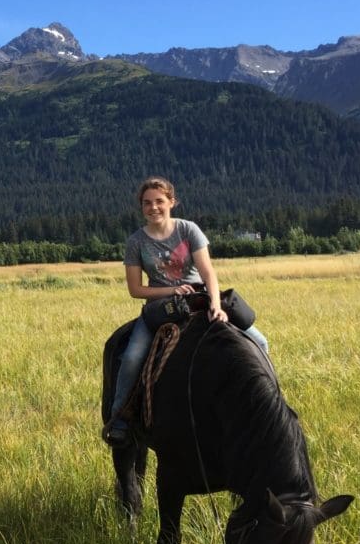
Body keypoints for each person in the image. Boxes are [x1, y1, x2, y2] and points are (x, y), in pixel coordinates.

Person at [104, 177, 269, 446]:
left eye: (159, 201)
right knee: (132, 357)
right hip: (160, 307)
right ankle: (119, 417)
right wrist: (171, 290)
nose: (153, 207)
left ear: (171, 202)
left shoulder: (189, 230)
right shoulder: (136, 242)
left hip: (200, 299)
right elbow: (136, 289)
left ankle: (265, 405)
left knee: (260, 342)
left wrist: (216, 305)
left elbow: (208, 272)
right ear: (141, 207)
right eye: (147, 203)